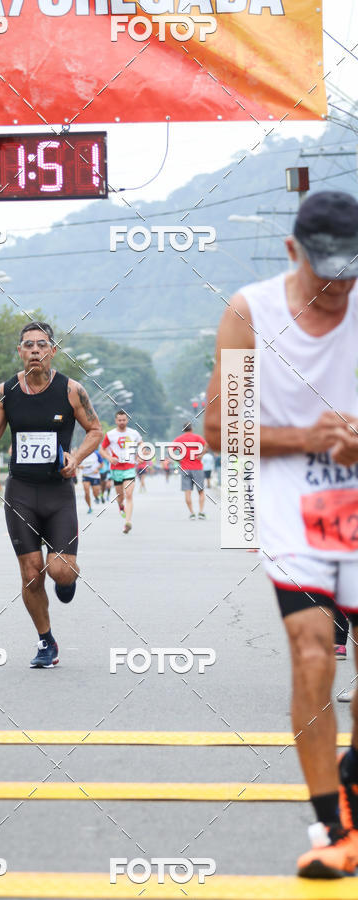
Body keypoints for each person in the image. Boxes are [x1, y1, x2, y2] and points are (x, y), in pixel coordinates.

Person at [205, 190, 358, 878]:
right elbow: (218, 429)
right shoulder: (251, 313)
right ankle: (334, 826)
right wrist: (308, 437)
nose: (338, 291)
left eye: (350, 275)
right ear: (293, 252)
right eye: (326, 275)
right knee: (312, 651)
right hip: (292, 501)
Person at [0, 322, 102, 668]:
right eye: (28, 345)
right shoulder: (5, 392)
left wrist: (75, 458)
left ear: (52, 351)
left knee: (60, 571)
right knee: (31, 572)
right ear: (19, 351)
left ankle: (66, 580)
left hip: (58, 492)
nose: (34, 350)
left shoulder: (71, 390)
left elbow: (95, 430)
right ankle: (46, 641)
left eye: (41, 345)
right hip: (21, 492)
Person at [100, 410, 142, 534]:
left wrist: (140, 455)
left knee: (129, 494)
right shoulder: (110, 434)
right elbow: (102, 450)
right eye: (119, 420)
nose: (122, 422)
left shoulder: (133, 433)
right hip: (116, 469)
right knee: (120, 496)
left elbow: (141, 444)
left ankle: (127, 522)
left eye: (124, 420)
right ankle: (121, 506)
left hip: (129, 468)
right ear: (116, 421)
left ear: (127, 420)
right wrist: (109, 458)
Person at [172, 423, 206, 519]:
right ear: (192, 429)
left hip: (185, 468)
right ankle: (201, 512)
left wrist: (178, 459)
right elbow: (206, 445)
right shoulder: (197, 437)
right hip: (197, 468)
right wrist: (201, 454)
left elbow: (170, 451)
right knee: (201, 491)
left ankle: (192, 513)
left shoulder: (178, 439)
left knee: (187, 492)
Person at [79, 449, 103, 513]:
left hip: (95, 476)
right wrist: (79, 466)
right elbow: (77, 463)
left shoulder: (96, 453)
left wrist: (97, 469)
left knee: (95, 492)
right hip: (86, 475)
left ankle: (96, 497)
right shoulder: (82, 453)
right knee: (87, 492)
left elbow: (102, 464)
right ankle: (89, 507)